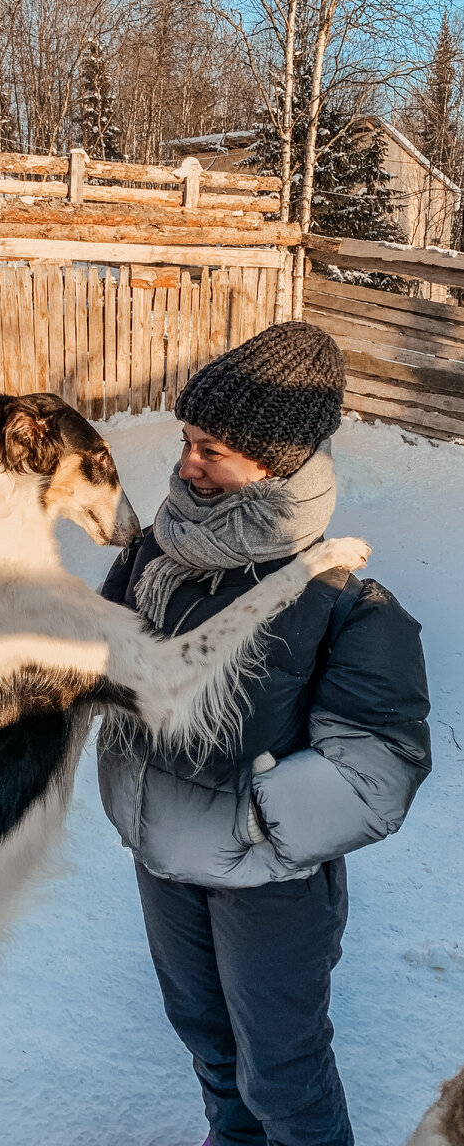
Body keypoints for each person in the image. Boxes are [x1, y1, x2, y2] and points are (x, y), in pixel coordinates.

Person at [97, 321, 431, 1146]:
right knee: (207, 1044)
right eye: (184, 442)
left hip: (271, 886)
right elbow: (106, 662)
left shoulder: (344, 598)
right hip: (159, 859)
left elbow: (376, 771)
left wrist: (251, 821)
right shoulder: (153, 557)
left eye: (209, 451)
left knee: (282, 1073)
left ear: (273, 459)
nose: (183, 466)